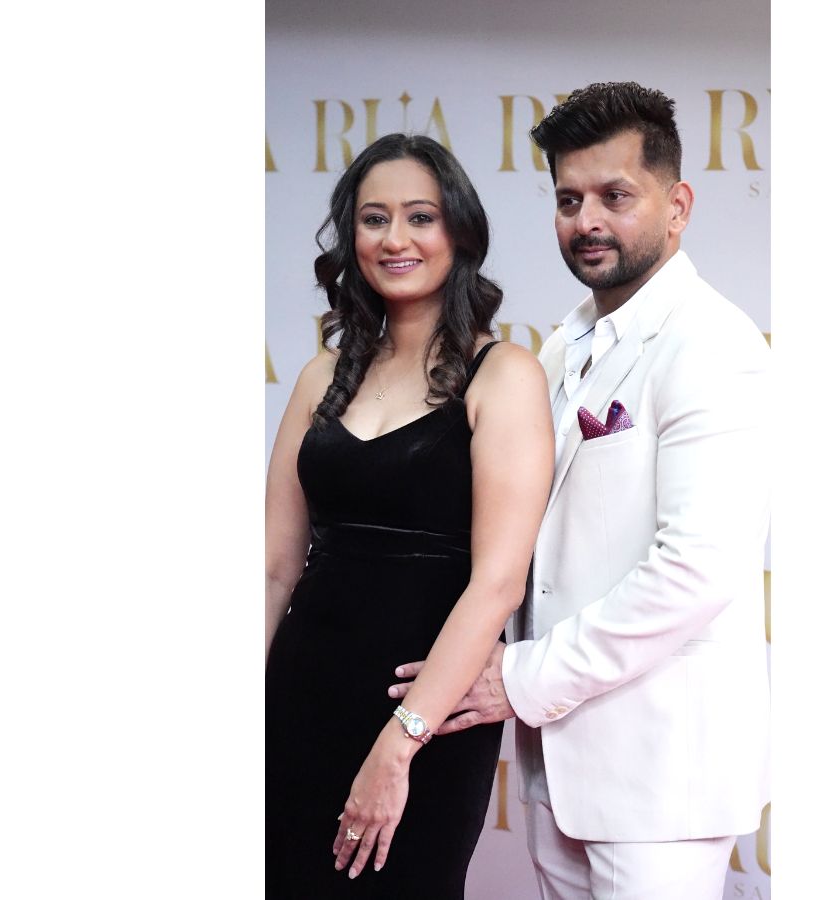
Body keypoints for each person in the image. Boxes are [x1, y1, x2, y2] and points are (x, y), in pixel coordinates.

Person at [390, 82, 771, 898]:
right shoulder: (561, 347)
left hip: (661, 779)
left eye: (615, 196)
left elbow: (697, 568)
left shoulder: (713, 344)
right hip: (556, 771)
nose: (587, 220)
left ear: (678, 207)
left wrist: (521, 677)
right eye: (569, 200)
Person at [265, 133, 554, 898]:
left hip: (424, 715)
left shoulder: (505, 374)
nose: (396, 239)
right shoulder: (320, 375)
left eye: (420, 217)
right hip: (298, 696)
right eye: (374, 219)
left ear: (458, 231)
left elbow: (498, 583)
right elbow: (273, 568)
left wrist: (399, 745)